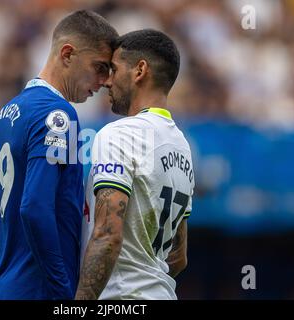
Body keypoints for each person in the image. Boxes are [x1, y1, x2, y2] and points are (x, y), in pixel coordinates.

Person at [0, 10, 118, 300]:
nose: (106, 81)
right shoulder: (58, 115)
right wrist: (63, 290)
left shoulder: (9, 112)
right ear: (67, 54)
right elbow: (34, 207)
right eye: (100, 67)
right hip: (34, 289)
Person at [76, 29, 195, 300]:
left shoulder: (121, 133)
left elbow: (107, 235)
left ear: (140, 70)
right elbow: (179, 257)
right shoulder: (182, 146)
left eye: (114, 70)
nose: (107, 81)